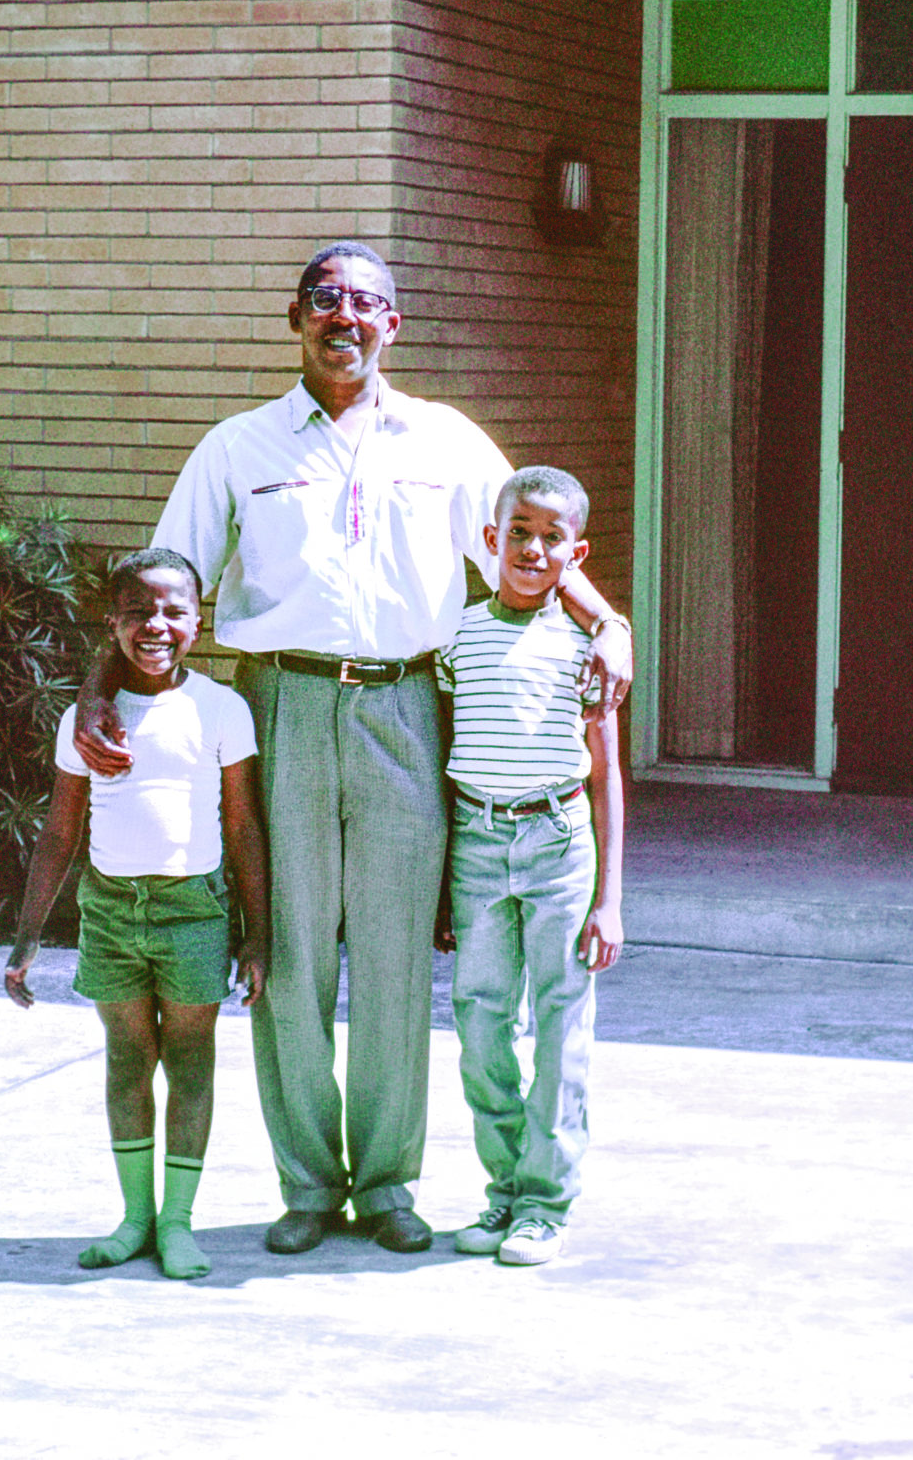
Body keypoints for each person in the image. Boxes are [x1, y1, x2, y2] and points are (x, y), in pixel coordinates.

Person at [73, 241, 632, 1256]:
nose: (346, 318)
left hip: (406, 710)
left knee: (388, 956)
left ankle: (383, 1182)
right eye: (326, 300)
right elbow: (163, 585)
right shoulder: (238, 447)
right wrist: (96, 689)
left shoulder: (446, 440)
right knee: (286, 953)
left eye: (367, 303)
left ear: (393, 325)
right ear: (295, 316)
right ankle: (304, 1182)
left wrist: (610, 623)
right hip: (279, 709)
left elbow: (530, 541)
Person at [5, 548, 269, 1282]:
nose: (156, 624)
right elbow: (60, 832)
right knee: (127, 1061)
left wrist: (258, 936)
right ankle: (135, 1217)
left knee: (189, 1061)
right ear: (112, 622)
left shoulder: (221, 709)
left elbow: (244, 827)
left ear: (198, 619)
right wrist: (26, 938)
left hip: (193, 910)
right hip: (112, 909)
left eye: (174, 610)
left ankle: (179, 1220)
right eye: (138, 611)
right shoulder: (88, 719)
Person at [434, 466, 625, 1267]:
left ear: (574, 553)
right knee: (480, 1021)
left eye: (553, 539)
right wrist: (444, 881)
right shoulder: (457, 640)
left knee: (559, 1023)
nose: (533, 549)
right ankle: (505, 1187)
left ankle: (546, 1202)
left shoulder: (586, 650)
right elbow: (446, 751)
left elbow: (606, 773)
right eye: (519, 532)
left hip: (556, 844)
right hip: (478, 844)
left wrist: (608, 899)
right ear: (491, 540)